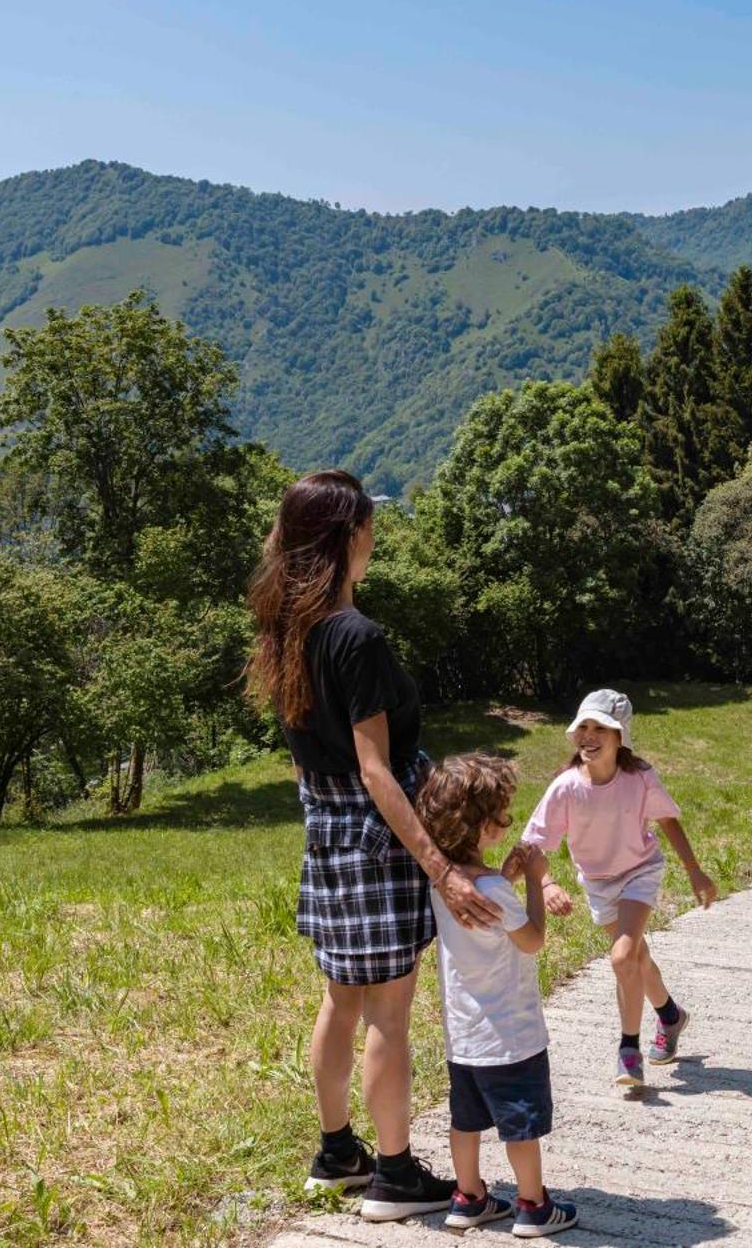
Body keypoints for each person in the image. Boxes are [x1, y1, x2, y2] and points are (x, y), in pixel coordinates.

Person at [244, 469, 500, 1220]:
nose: (374, 533)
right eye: (367, 522)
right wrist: (442, 866)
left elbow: (303, 754)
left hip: (323, 831)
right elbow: (376, 769)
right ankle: (393, 1173)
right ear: (345, 536)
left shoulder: (288, 628)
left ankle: (337, 1153)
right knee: (390, 1011)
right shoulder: (356, 636)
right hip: (372, 835)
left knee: (340, 1000)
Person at [413, 752, 580, 1238]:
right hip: (511, 1037)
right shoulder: (495, 890)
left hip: (465, 1037)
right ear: (485, 826)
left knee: (465, 1120)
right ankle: (533, 1205)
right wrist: (532, 881)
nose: (508, 821)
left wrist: (505, 876)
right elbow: (530, 940)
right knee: (520, 1125)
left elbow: (483, 908)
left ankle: (468, 1198)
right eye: (503, 815)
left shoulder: (446, 884)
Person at [522, 689, 718, 1090]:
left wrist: (695, 871)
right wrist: (545, 882)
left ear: (620, 737)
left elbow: (667, 821)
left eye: (600, 728)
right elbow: (535, 843)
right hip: (598, 883)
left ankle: (629, 1051)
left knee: (623, 955)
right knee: (635, 958)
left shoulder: (638, 777)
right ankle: (670, 1015)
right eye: (583, 727)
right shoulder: (565, 787)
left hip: (639, 872)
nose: (588, 736)